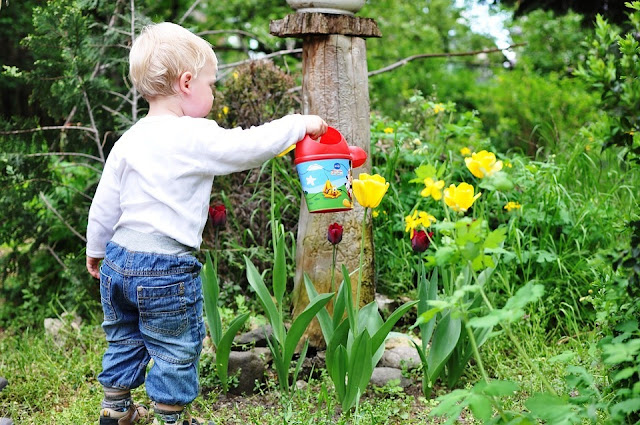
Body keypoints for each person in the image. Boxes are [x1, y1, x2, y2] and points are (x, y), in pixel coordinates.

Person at [85, 22, 327, 425]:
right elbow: (249, 147)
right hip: (165, 267)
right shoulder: (193, 135)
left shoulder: (129, 139)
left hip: (119, 259)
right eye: (211, 84)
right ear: (185, 83)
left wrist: (96, 250)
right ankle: (171, 418)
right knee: (176, 346)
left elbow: (104, 204)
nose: (213, 93)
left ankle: (116, 407)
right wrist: (299, 125)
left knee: (124, 338)